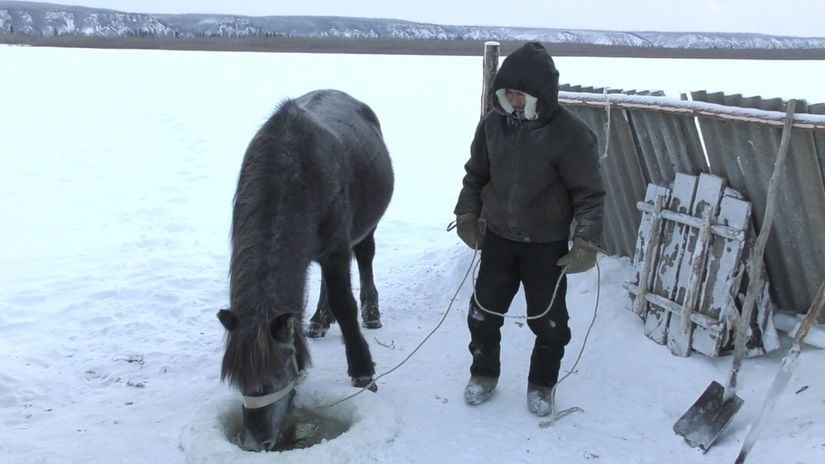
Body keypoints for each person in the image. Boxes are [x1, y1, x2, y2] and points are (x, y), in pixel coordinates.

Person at [452, 41, 604, 416]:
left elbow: (589, 195)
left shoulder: (571, 134)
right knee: (483, 313)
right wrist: (467, 214)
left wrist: (586, 240)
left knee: (549, 322)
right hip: (499, 239)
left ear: (541, 94)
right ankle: (483, 373)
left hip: (545, 246)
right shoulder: (492, 125)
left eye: (521, 95)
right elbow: (476, 176)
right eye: (509, 94)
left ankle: (542, 384)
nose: (515, 102)